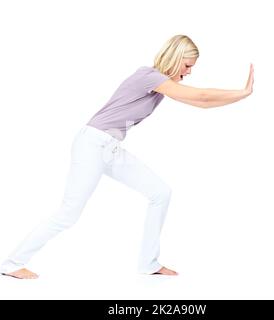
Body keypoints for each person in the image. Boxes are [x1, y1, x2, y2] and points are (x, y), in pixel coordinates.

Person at [0, 35, 254, 279]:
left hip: (109, 147)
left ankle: (148, 264)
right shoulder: (148, 76)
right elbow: (201, 96)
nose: (188, 72)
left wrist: (241, 95)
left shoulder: (161, 86)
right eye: (187, 66)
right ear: (176, 58)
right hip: (93, 143)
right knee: (69, 213)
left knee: (160, 193)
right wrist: (242, 92)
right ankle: (12, 264)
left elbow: (201, 103)